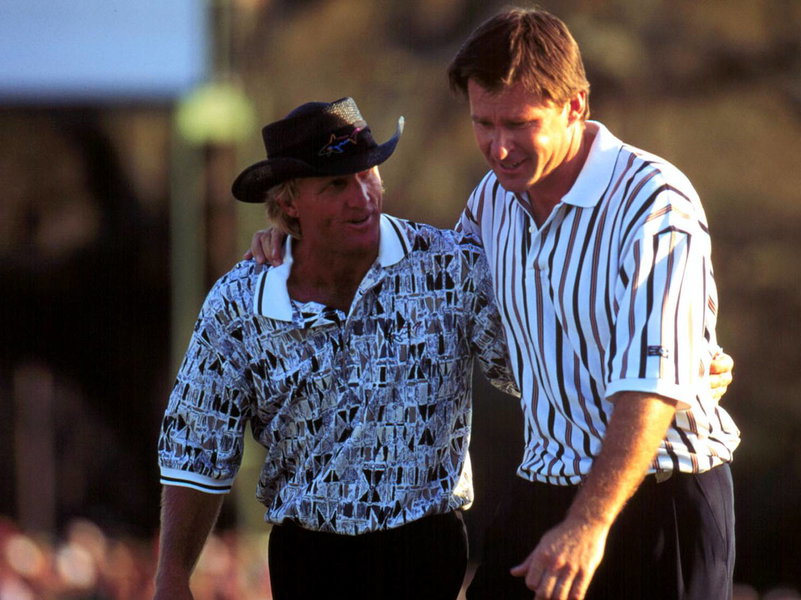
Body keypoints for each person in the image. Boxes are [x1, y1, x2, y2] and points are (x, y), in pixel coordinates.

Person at [153, 97, 519, 600]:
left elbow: (529, 373)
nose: (362, 197)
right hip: (308, 561)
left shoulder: (449, 267)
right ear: (289, 204)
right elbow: (196, 450)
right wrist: (172, 576)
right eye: (336, 184)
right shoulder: (238, 304)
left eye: (368, 174)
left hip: (426, 551)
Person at [447, 8, 741, 600]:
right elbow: (425, 282)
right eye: (484, 124)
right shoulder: (491, 201)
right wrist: (289, 243)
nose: (498, 148)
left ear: (575, 105)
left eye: (519, 124)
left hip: (661, 499)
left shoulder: (655, 201)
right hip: (542, 485)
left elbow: (652, 385)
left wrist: (588, 524)